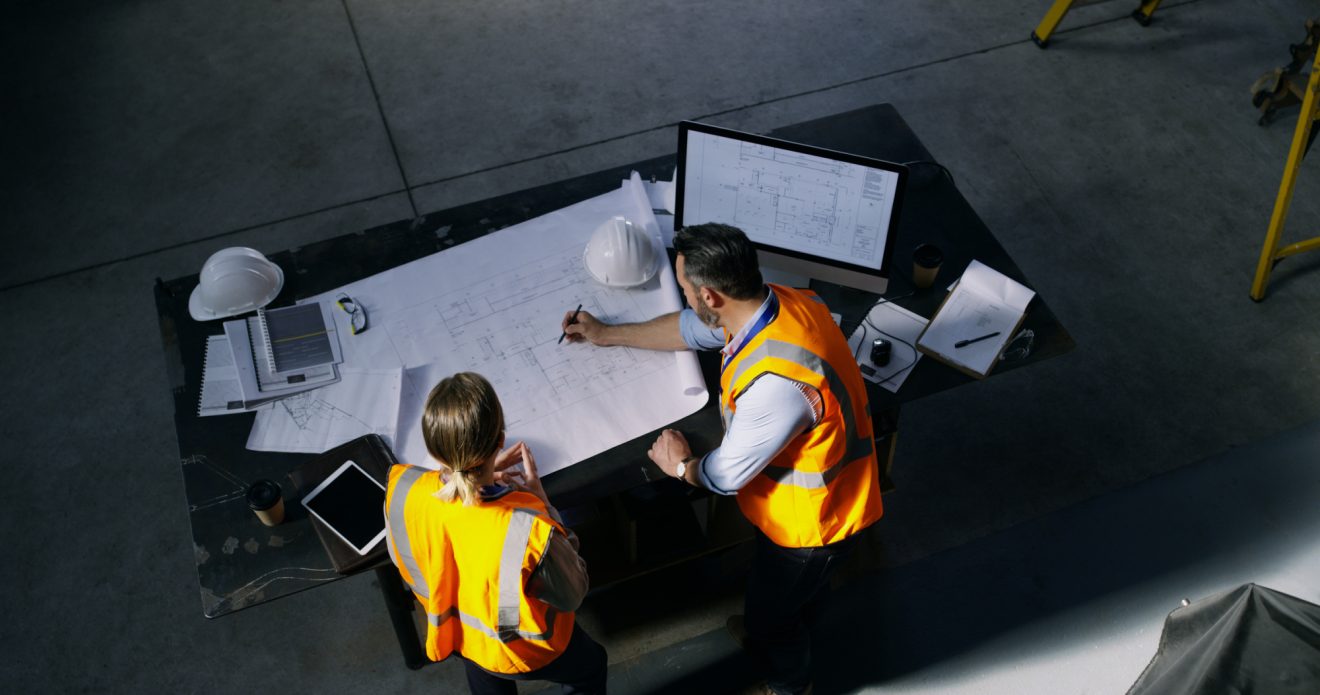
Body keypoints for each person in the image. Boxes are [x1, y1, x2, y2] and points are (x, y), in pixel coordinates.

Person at [562, 223, 884, 695]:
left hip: (815, 526)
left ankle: (791, 684)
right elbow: (691, 329)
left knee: (772, 616)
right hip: (830, 499)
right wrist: (606, 334)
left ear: (711, 294)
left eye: (686, 288)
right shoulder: (780, 303)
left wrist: (678, 465)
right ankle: (795, 620)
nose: (684, 296)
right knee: (796, 598)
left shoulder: (778, 384)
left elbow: (725, 475)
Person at [383, 372, 607, 695]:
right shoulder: (526, 529)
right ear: (500, 439)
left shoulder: (404, 488)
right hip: (521, 651)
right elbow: (573, 592)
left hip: (461, 637)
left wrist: (478, 479)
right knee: (590, 668)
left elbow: (410, 549)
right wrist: (542, 503)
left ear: (434, 449)